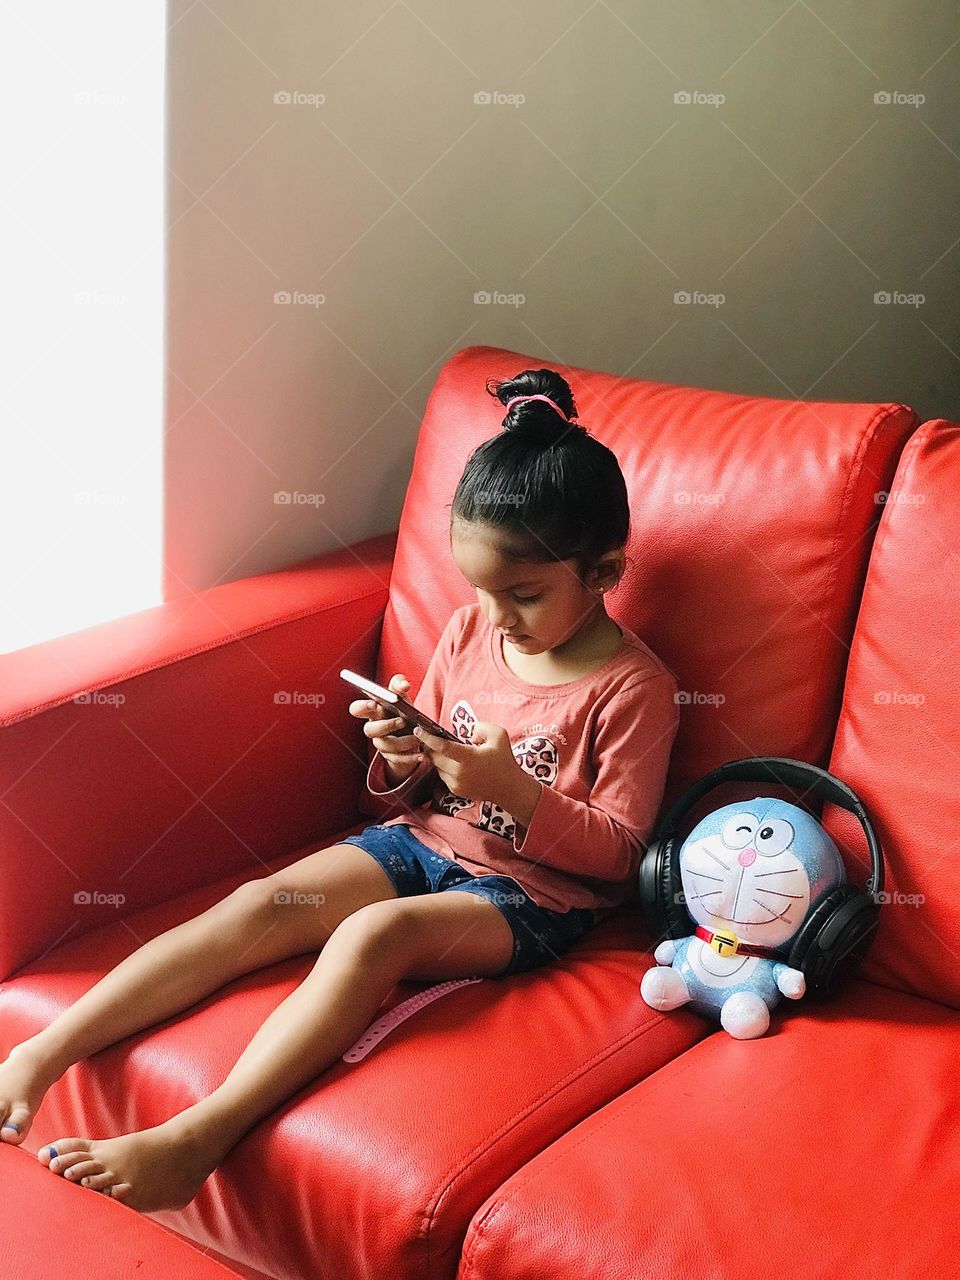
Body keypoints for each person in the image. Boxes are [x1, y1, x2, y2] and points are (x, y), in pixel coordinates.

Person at [0, 367, 679, 1214]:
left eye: (526, 594)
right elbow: (420, 786)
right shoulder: (472, 631)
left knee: (373, 936)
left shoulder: (634, 688)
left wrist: (520, 795)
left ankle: (197, 1137)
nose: (497, 614)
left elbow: (619, 858)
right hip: (424, 841)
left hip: (531, 894)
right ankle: (42, 1053)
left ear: (606, 570)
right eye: (481, 589)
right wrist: (402, 754)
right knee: (263, 903)